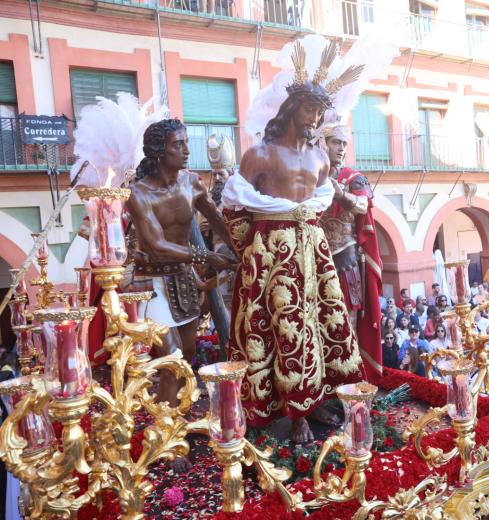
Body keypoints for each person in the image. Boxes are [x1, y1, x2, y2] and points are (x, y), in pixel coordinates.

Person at [222, 44, 367, 442]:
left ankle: (320, 400)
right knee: (282, 330)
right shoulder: (260, 156)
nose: (316, 120)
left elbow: (323, 202)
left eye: (321, 114)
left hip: (313, 249)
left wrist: (311, 241)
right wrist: (251, 256)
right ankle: (291, 411)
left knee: (322, 324)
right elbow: (233, 209)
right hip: (272, 252)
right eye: (310, 111)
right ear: (291, 110)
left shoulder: (321, 160)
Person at [128, 119, 235, 413]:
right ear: (158, 152)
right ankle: (168, 430)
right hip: (151, 284)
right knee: (171, 358)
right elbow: (156, 245)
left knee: (187, 355)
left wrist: (239, 250)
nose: (186, 150)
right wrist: (205, 257)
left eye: (186, 142)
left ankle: (179, 415)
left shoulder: (192, 183)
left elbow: (217, 221)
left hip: (183, 279)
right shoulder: (138, 194)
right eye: (178, 144)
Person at [320, 123, 383, 377]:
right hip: (316, 260)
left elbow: (363, 203)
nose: (341, 148)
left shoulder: (353, 177)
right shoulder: (310, 177)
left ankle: (352, 379)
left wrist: (341, 196)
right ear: (322, 143)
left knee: (349, 323)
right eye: (336, 142)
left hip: (346, 261)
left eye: (344, 143)